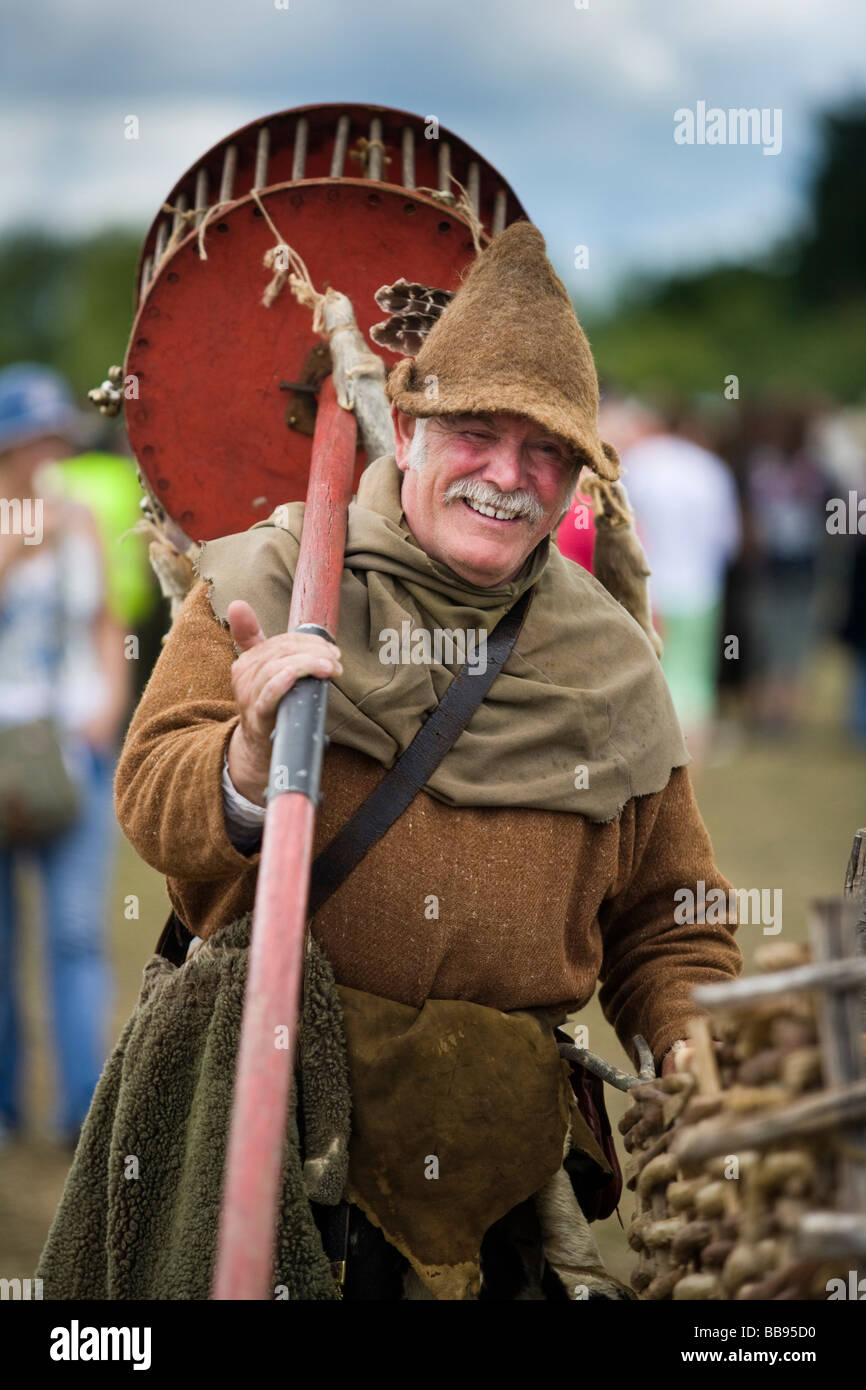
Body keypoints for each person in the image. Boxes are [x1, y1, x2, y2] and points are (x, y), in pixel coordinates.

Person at [38, 223, 741, 1299]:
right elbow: (148, 795)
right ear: (405, 428)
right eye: (476, 432)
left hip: (494, 1170)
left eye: (544, 449)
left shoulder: (612, 663)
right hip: (259, 1124)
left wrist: (686, 1046)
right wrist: (248, 757)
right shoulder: (270, 578)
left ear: (575, 480)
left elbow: (669, 917)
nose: (506, 475)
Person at [0, 365, 130, 1149]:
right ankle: (8, 1106)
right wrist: (15, 552)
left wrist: (109, 702)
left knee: (78, 932)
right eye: (33, 438)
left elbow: (107, 620)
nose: (47, 453)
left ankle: (83, 1107)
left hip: (75, 747)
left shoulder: (82, 516)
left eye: (57, 438)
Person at [620, 404, 742, 761]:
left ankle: (645, 772)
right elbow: (728, 540)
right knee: (692, 688)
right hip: (699, 590)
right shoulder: (712, 469)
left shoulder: (639, 463)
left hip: (645, 588)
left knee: (640, 682)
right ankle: (687, 778)